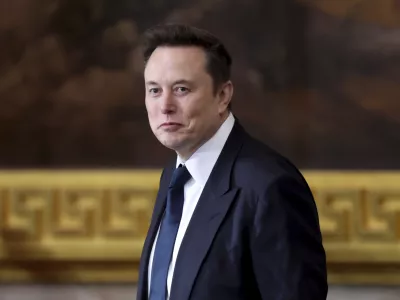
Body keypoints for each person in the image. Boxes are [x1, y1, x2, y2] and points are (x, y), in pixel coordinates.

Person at [136, 23, 328, 300]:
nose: (164, 105)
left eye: (181, 89)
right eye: (154, 90)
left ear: (223, 96)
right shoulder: (174, 175)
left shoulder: (270, 186)